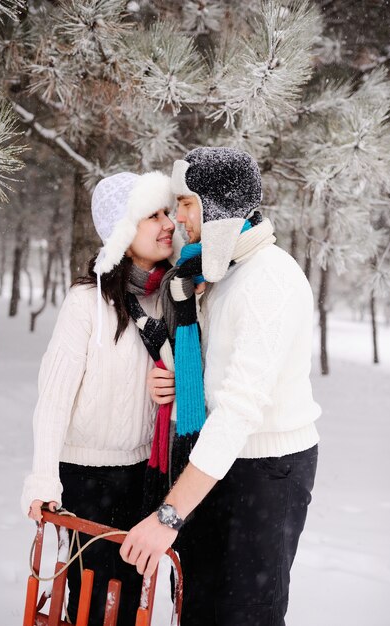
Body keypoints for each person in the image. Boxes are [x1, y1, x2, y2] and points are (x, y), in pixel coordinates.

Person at [120, 148, 322, 626]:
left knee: (243, 614)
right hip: (216, 463)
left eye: (187, 204)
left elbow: (239, 409)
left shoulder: (267, 279)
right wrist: (181, 382)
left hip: (267, 471)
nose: (178, 220)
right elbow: (220, 379)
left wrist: (169, 515)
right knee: (199, 607)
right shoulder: (216, 273)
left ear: (217, 207)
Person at [21, 170, 178, 626]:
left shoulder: (170, 299)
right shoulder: (85, 302)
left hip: (145, 475)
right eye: (153, 215)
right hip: (86, 477)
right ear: (125, 232)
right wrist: (43, 480)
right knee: (89, 598)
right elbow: (53, 398)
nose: (167, 223)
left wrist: (164, 388)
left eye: (167, 212)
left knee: (130, 602)